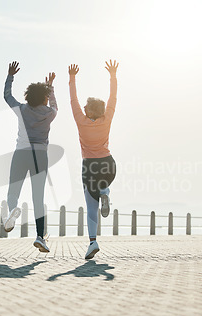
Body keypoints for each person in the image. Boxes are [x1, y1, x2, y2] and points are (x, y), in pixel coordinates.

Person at [3, 61, 57, 253]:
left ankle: (11, 211)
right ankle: (40, 237)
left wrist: (10, 76)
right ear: (44, 98)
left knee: (14, 188)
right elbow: (54, 105)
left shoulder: (22, 110)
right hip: (40, 156)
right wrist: (50, 87)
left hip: (21, 153)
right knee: (38, 196)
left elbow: (7, 96)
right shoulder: (49, 114)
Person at [68, 60, 118, 259]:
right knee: (103, 186)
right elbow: (113, 97)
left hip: (89, 166)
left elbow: (73, 100)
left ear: (88, 111)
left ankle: (92, 242)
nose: (83, 106)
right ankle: (105, 190)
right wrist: (113, 76)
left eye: (85, 105)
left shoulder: (81, 120)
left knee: (91, 207)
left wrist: (72, 78)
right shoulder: (107, 119)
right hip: (108, 164)